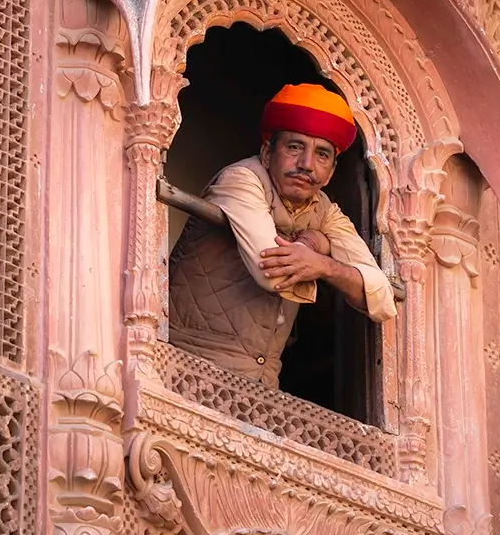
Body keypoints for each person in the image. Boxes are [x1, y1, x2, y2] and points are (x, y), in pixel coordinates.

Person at [166, 83, 397, 386]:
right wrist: (321, 248)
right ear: (266, 152)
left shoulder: (326, 211)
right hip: (188, 371)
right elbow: (272, 273)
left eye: (322, 155)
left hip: (263, 387)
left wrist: (319, 254)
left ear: (331, 172)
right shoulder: (241, 179)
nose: (306, 164)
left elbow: (380, 297)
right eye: (294, 147)